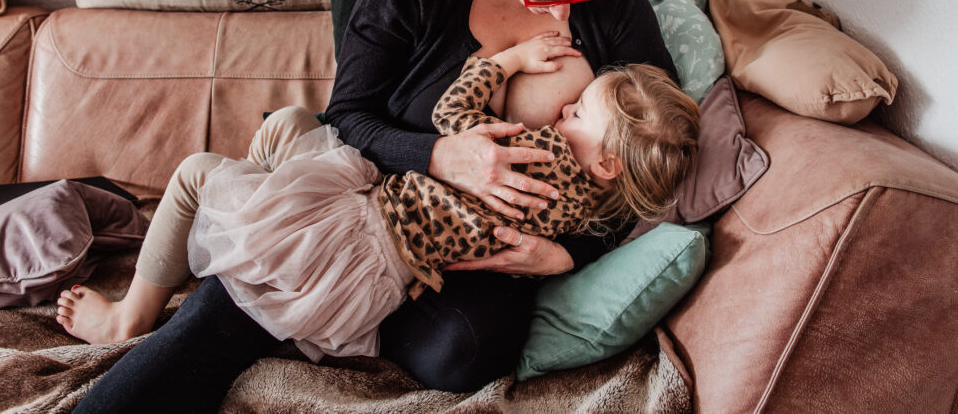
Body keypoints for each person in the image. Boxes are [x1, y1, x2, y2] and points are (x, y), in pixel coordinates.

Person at [71, 0, 681, 412]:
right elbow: (350, 119)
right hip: (368, 197)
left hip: (466, 250)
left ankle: (316, 303)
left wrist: (566, 254)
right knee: (244, 300)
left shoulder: (621, 7)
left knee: (467, 352)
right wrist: (442, 155)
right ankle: (239, 292)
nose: (563, 16)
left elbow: (650, 163)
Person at [57, 34, 699, 362]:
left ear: (608, 162)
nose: (563, 107)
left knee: (200, 172)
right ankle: (238, 235)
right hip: (379, 279)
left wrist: (507, 59)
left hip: (357, 226)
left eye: (578, 111)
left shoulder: (538, 154)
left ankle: (129, 318)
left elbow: (453, 112)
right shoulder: (581, 213)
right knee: (287, 126)